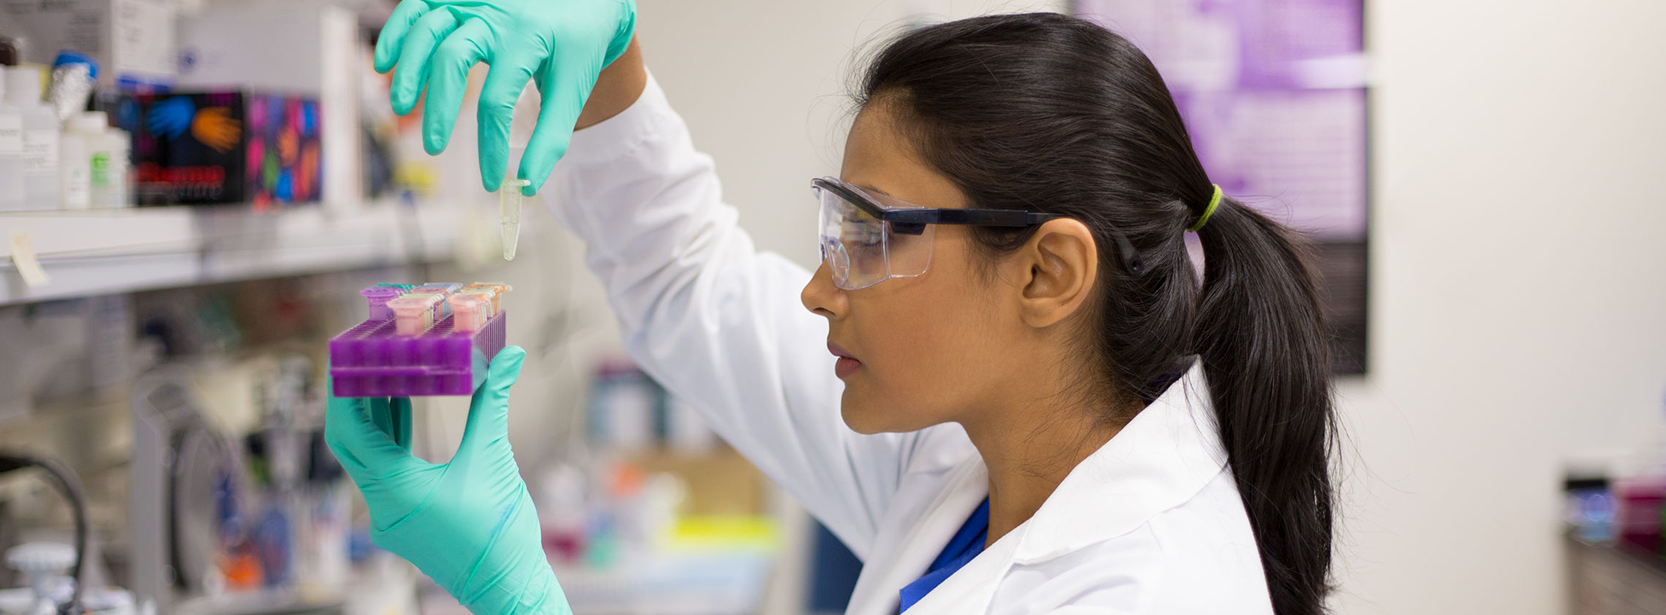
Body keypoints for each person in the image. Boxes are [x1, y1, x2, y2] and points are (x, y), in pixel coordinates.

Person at [327, 5, 1338, 615]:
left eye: (872, 238)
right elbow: (687, 277)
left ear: (1046, 275)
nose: (819, 286)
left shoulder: (1142, 592)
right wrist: (610, 56)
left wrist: (517, 597)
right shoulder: (976, 463)